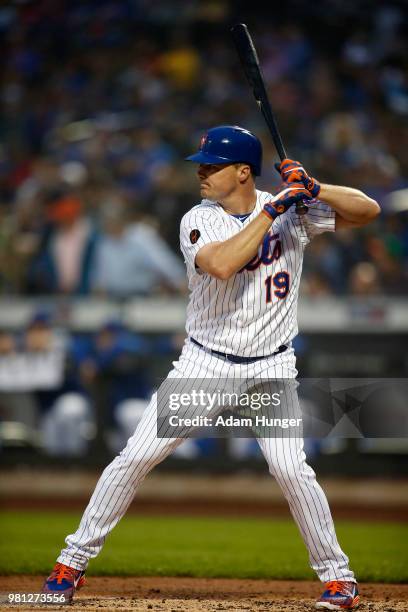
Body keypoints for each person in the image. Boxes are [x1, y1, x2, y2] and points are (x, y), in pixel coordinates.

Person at [42, 125, 380, 609]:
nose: (200, 171)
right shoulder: (199, 218)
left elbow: (368, 211)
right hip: (206, 363)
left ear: (243, 172)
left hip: (271, 366)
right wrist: (273, 209)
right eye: (201, 163)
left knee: (290, 470)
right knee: (135, 458)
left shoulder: (290, 212)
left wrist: (314, 188)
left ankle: (338, 577)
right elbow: (223, 263)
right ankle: (71, 563)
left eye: (211, 164)